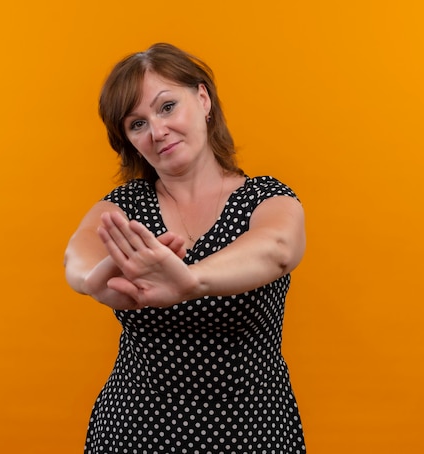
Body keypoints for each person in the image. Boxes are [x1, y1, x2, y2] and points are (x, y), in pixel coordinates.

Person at [64, 43, 307, 453]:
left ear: (203, 98)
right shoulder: (126, 207)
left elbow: (278, 248)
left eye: (166, 107)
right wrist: (94, 281)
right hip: (134, 432)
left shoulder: (266, 198)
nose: (157, 131)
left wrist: (190, 281)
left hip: (254, 432)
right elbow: (77, 256)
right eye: (136, 124)